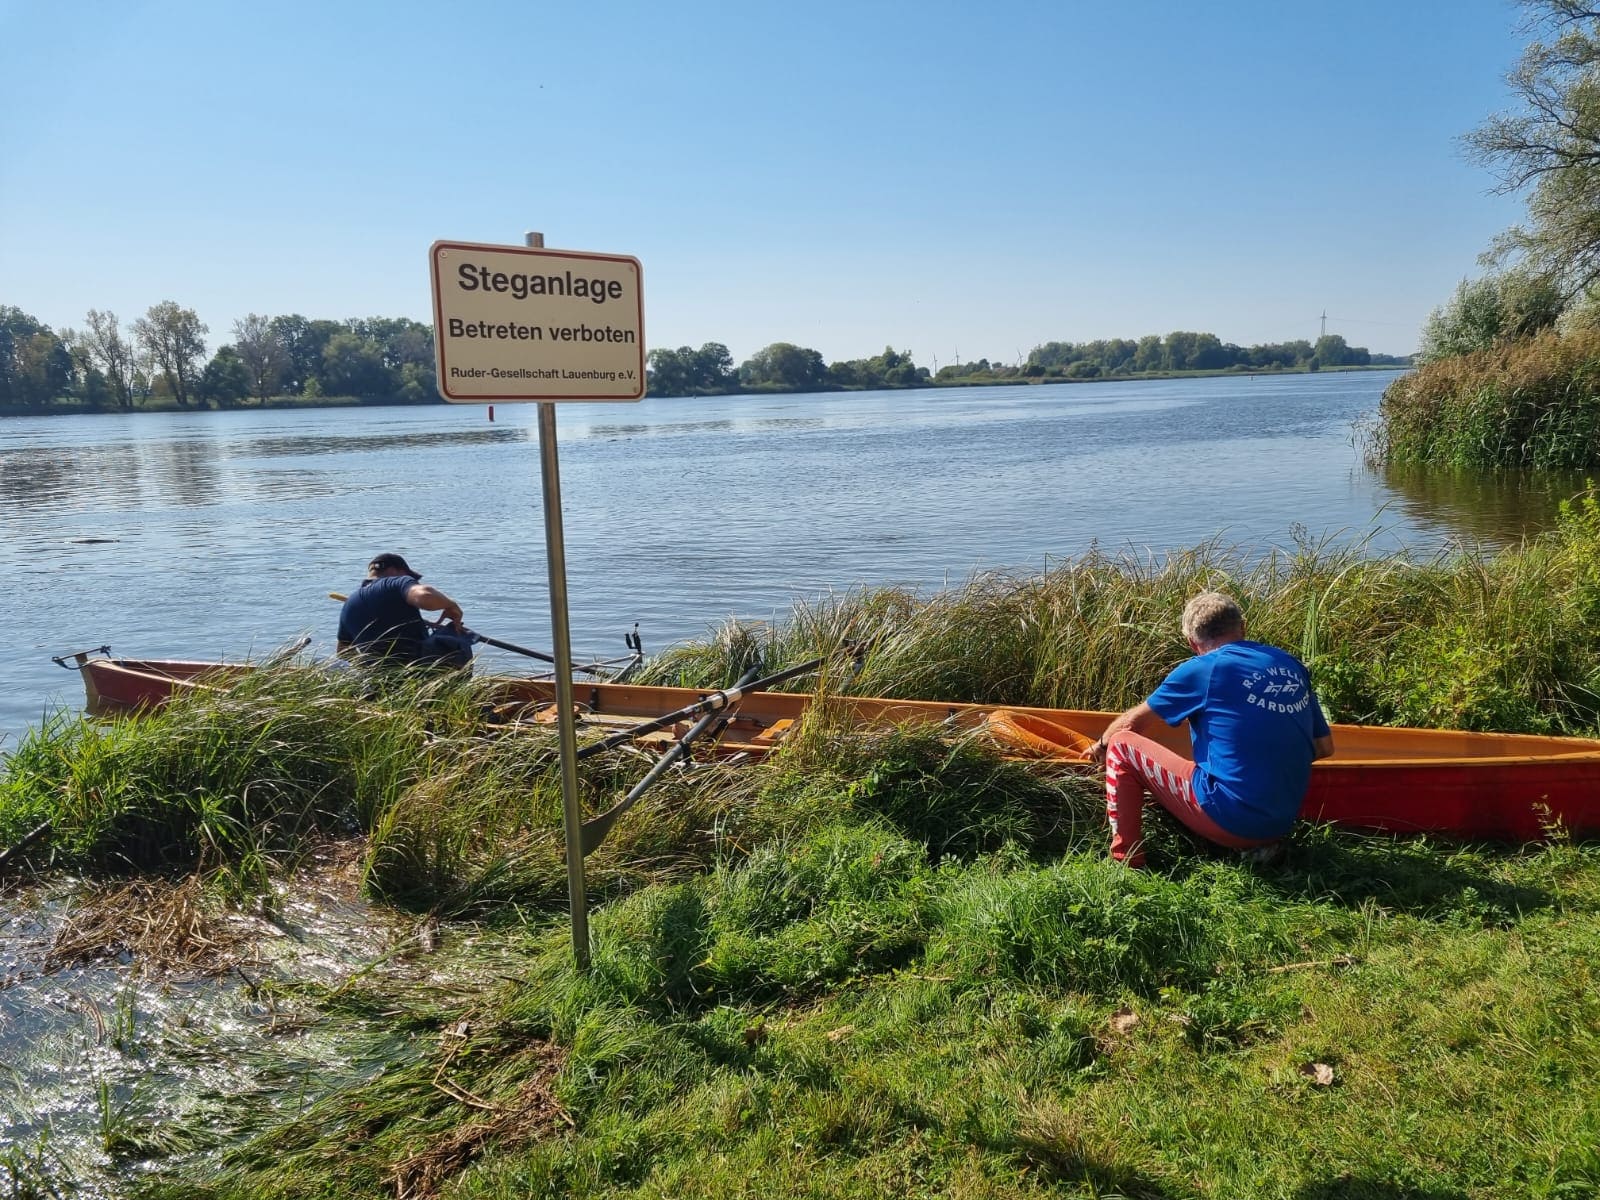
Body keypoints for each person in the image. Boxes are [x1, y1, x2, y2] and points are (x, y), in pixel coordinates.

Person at [1087, 591, 1334, 868]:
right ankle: (1260, 846)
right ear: (1243, 627)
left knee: (1121, 744)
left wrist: (1100, 746)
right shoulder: (1290, 665)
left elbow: (1131, 725)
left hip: (1230, 819)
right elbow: (1324, 747)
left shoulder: (1203, 668)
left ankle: (1127, 862)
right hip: (1282, 820)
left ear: (1193, 643)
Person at [336, 553, 474, 668]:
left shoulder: (348, 606)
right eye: (411, 578)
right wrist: (451, 605)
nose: (414, 581)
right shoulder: (395, 582)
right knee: (457, 635)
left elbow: (343, 653)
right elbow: (425, 596)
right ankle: (458, 695)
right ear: (395, 571)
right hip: (417, 667)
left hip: (382, 675)